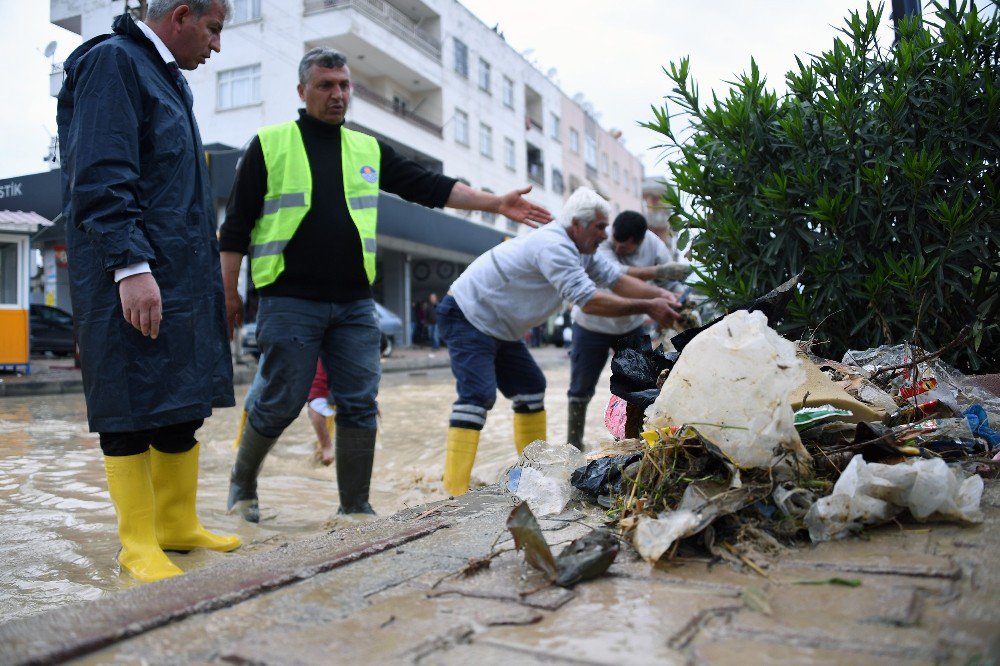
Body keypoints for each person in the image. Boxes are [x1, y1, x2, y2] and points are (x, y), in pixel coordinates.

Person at [221, 47, 551, 522]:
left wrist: (495, 202)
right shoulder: (270, 144)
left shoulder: (366, 149)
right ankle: (242, 484)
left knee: (359, 401)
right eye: (325, 85)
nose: (338, 94)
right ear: (302, 91)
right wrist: (229, 293)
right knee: (281, 398)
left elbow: (429, 186)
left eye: (344, 85)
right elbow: (235, 228)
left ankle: (355, 507)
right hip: (288, 299)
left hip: (356, 304)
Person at [55, 0, 239, 583]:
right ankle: (137, 544)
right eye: (213, 29)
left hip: (178, 270)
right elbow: (102, 173)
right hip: (133, 270)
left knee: (179, 399)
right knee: (129, 404)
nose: (216, 46)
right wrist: (129, 266)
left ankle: (176, 524)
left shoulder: (164, 77)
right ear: (180, 16)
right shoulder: (114, 62)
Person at [437, 188, 681, 495]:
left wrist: (663, 296)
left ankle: (530, 476)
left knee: (530, 387)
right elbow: (587, 300)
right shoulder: (554, 245)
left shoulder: (583, 250)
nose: (605, 235)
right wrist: (649, 306)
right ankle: (453, 491)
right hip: (468, 314)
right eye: (600, 227)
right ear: (577, 224)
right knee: (477, 396)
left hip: (500, 327)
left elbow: (617, 279)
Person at [566, 211, 691, 449]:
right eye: (617, 245)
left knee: (640, 383)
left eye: (626, 248)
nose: (620, 249)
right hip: (590, 324)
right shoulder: (601, 241)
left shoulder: (653, 245)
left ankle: (634, 439)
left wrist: (681, 300)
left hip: (630, 325)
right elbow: (612, 274)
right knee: (580, 387)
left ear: (640, 240)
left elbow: (672, 285)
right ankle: (574, 443)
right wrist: (657, 273)